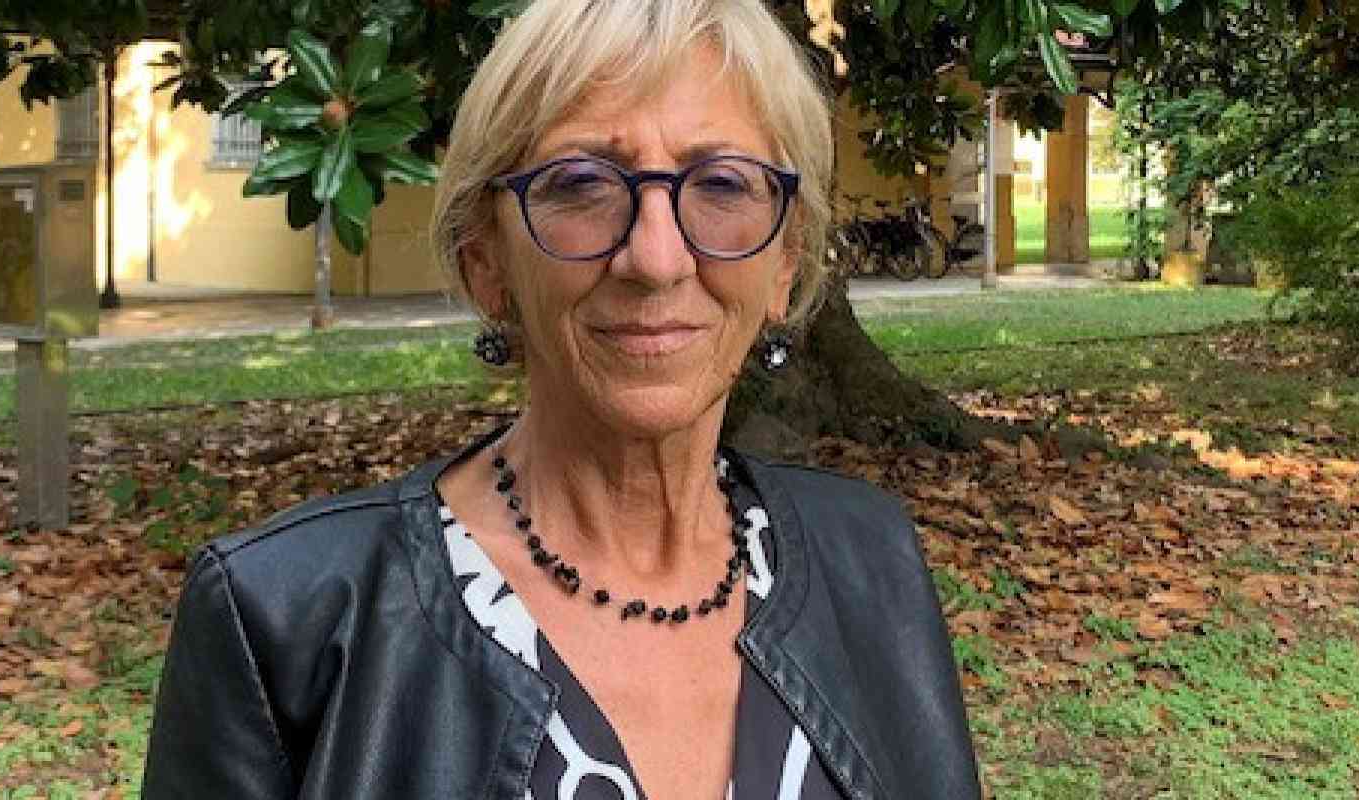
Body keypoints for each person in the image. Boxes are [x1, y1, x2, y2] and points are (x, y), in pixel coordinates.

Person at [140, 0, 978, 797]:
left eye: (722, 185)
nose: (656, 259)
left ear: (785, 261)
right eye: (582, 184)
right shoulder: (283, 622)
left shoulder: (869, 560)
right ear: (486, 260)